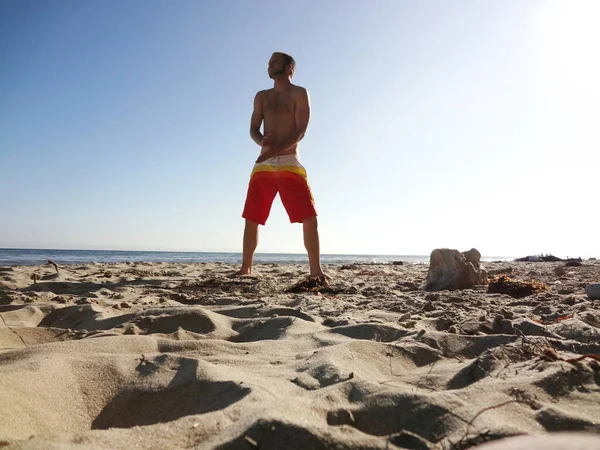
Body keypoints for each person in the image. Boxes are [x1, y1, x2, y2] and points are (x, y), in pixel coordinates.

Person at [238, 52, 327, 280]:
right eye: (268, 63)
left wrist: (278, 150)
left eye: (275, 62)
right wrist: (261, 142)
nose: (269, 66)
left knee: (309, 215)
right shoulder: (262, 96)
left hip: (289, 162)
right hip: (264, 162)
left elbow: (301, 130)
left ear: (289, 68)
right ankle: (245, 269)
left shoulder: (299, 93)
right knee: (252, 216)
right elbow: (253, 128)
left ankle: (315, 271)